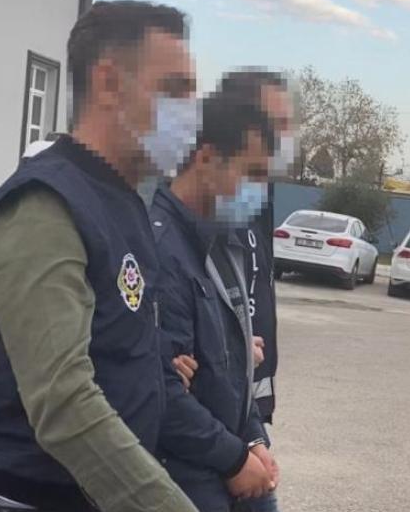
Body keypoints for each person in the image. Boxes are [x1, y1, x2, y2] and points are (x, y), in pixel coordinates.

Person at [0, 0, 199, 512]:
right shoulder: (48, 204)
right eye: (175, 89)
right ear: (108, 83)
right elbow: (62, 402)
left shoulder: (123, 199)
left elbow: (111, 338)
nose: (190, 113)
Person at [151, 83, 283, 512]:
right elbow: (163, 394)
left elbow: (229, 371)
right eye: (251, 173)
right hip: (186, 476)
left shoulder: (225, 243)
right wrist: (234, 459)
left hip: (230, 459)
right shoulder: (160, 249)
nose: (258, 192)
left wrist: (254, 438)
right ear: (206, 159)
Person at [219, 71, 296, 428]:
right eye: (276, 123)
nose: (284, 137)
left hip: (252, 394)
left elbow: (257, 282)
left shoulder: (259, 194)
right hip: (216, 401)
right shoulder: (203, 197)